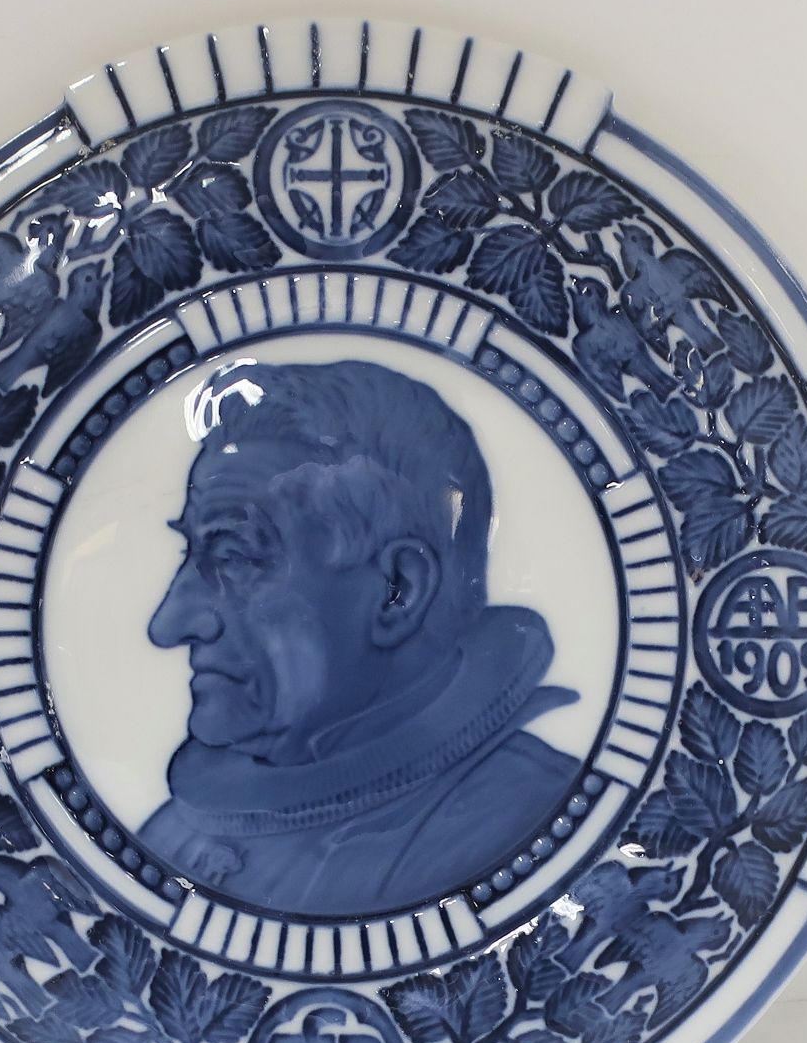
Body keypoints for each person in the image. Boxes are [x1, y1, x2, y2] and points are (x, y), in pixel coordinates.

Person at [139, 359, 580, 918]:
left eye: (234, 558)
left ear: (398, 591)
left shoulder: (528, 827)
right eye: (194, 556)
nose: (169, 624)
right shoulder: (173, 834)